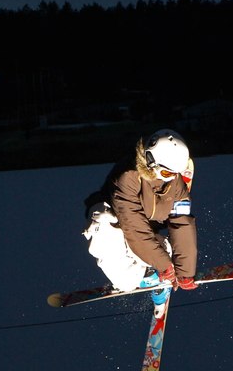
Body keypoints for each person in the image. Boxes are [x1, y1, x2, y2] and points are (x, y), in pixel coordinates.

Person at [83, 129, 198, 316]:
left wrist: (185, 270)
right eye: (167, 172)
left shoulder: (176, 183)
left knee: (163, 255)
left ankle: (157, 270)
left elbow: (182, 222)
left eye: (176, 173)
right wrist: (164, 265)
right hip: (119, 225)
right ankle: (145, 274)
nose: (173, 178)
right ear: (152, 162)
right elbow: (133, 226)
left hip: (149, 233)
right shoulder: (127, 177)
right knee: (126, 281)